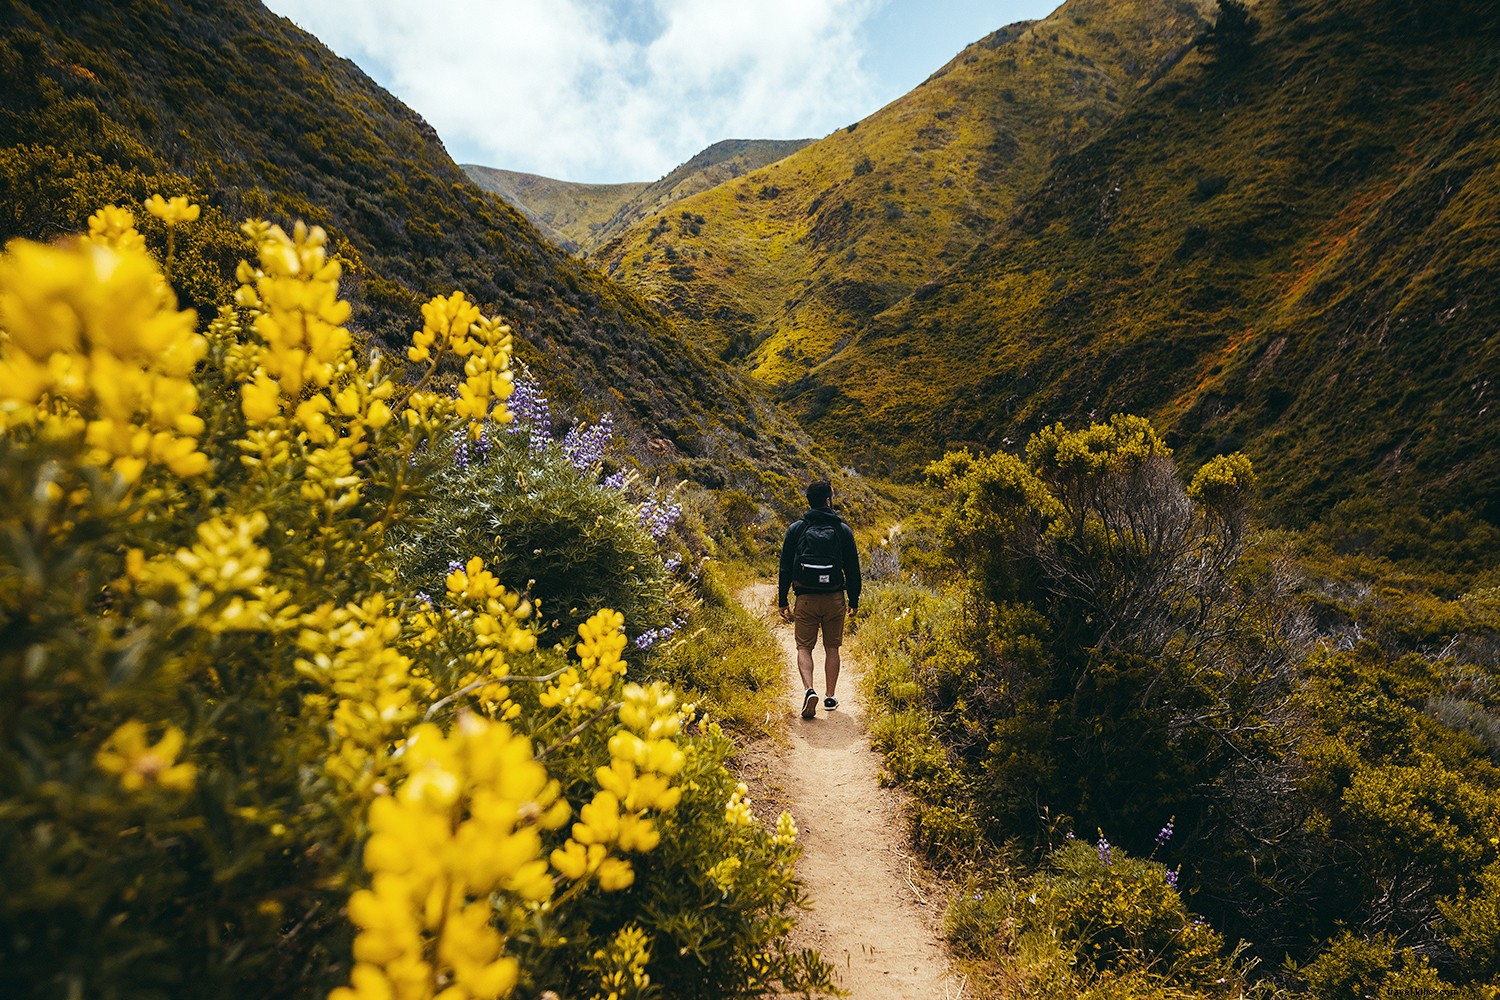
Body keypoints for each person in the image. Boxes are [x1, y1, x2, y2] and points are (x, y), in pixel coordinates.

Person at [778, 480, 861, 719]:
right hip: (834, 597)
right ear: (828, 500)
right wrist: (853, 599)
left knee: (804, 647)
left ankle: (809, 690)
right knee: (832, 647)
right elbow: (853, 569)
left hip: (805, 598)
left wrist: (782, 599)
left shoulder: (796, 529)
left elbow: (785, 567)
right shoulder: (842, 530)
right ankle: (831, 696)